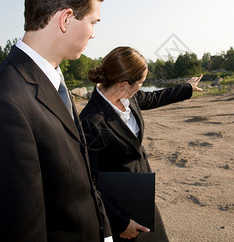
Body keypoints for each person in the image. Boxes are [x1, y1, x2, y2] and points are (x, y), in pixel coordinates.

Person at [0, 0, 113, 241]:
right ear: (66, 19)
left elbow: (79, 181)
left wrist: (104, 233)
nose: (93, 32)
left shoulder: (53, 82)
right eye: (93, 22)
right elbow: (15, 230)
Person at [79, 46, 203, 241]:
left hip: (141, 195)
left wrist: (186, 88)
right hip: (119, 208)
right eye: (142, 82)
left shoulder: (130, 97)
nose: (142, 87)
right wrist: (120, 222)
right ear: (124, 84)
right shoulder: (91, 121)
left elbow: (155, 97)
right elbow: (88, 182)